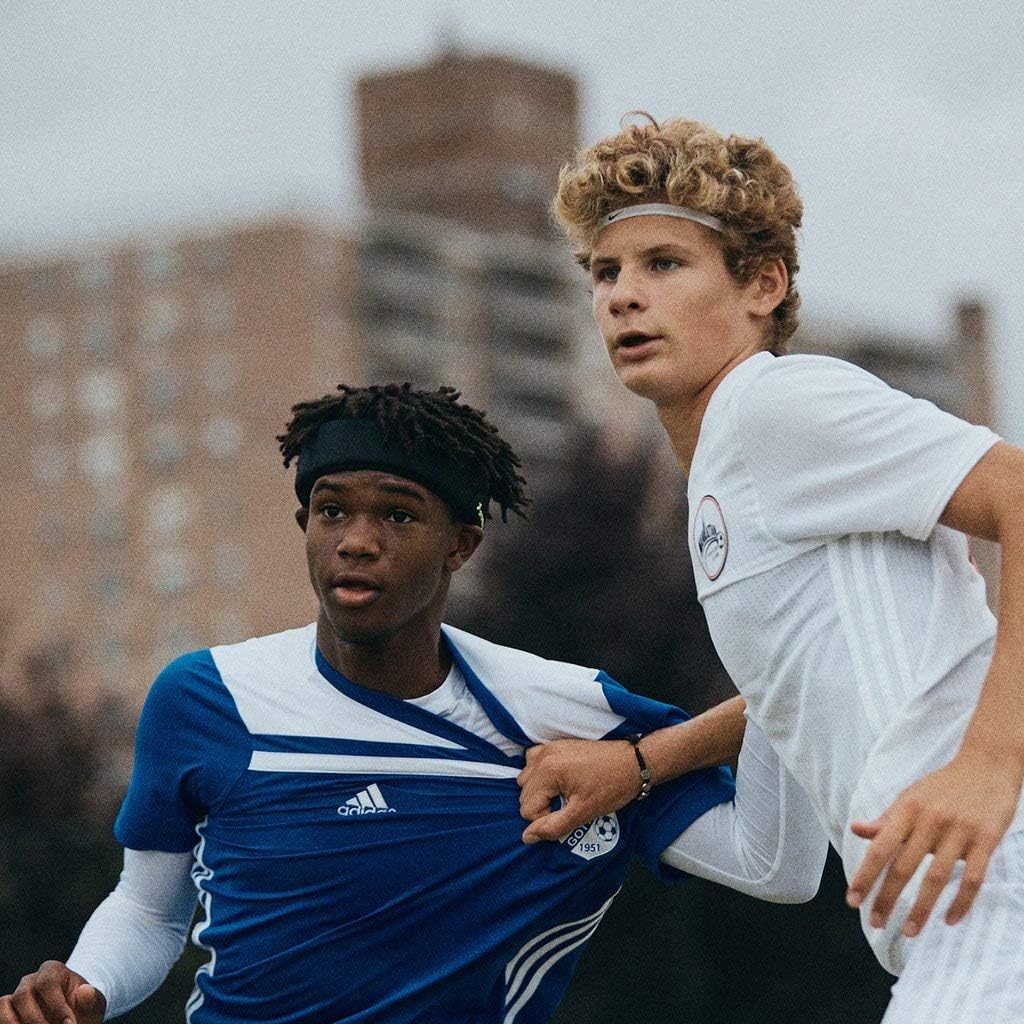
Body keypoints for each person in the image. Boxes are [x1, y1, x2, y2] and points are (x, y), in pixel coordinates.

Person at [1, 383, 826, 1024]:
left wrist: (656, 752)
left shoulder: (562, 712)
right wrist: (88, 985)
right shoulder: (207, 698)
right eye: (332, 511)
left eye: (398, 513)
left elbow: (775, 865)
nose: (357, 541)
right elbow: (150, 909)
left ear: (461, 543)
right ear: (305, 522)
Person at [516, 114, 1024, 1020]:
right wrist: (638, 769)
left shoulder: (775, 407)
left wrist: (989, 763)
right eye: (605, 271)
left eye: (663, 263)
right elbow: (775, 853)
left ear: (763, 284)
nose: (624, 296)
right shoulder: (729, 482)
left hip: (996, 892)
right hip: (947, 924)